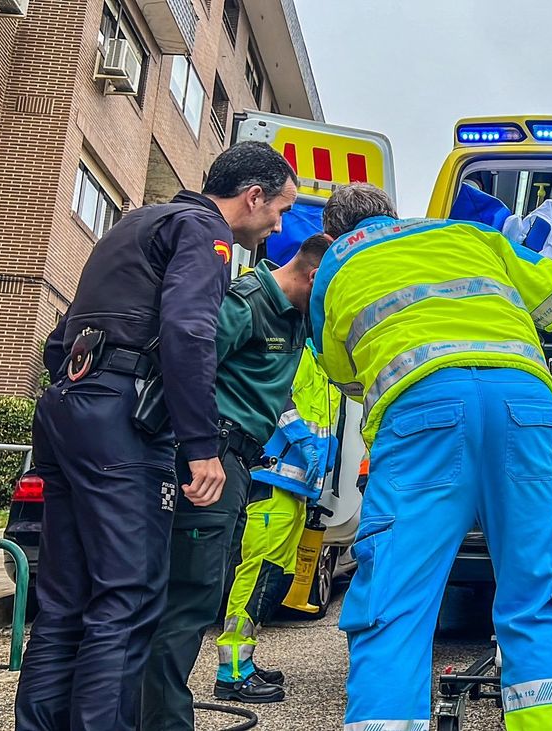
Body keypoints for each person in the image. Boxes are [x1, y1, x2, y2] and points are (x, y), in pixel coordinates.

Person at [14, 142, 299, 731]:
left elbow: (59, 340)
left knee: (65, 603)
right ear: (253, 197)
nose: (278, 225)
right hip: (122, 423)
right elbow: (189, 333)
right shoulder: (205, 232)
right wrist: (199, 447)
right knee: (129, 595)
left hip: (69, 407)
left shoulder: (135, 223)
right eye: (280, 209)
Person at [312, 183, 552, 731]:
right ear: (394, 214)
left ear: (333, 233)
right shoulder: (472, 235)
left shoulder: (337, 263)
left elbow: (340, 369)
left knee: (394, 603)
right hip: (523, 403)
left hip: (421, 411)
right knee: (533, 592)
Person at [141, 233, 328, 730]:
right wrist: (199, 450)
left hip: (239, 461)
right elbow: (186, 368)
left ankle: (155, 712)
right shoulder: (247, 302)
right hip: (216, 458)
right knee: (188, 594)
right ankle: (163, 720)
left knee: (201, 591)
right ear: (314, 277)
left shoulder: (296, 319)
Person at [214, 336, 343, 699]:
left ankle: (246, 660)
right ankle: (231, 670)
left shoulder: (319, 362)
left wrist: (325, 454)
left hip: (297, 486)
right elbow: (274, 395)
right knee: (258, 573)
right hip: (273, 479)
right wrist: (302, 439)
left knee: (276, 578)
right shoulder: (293, 350)